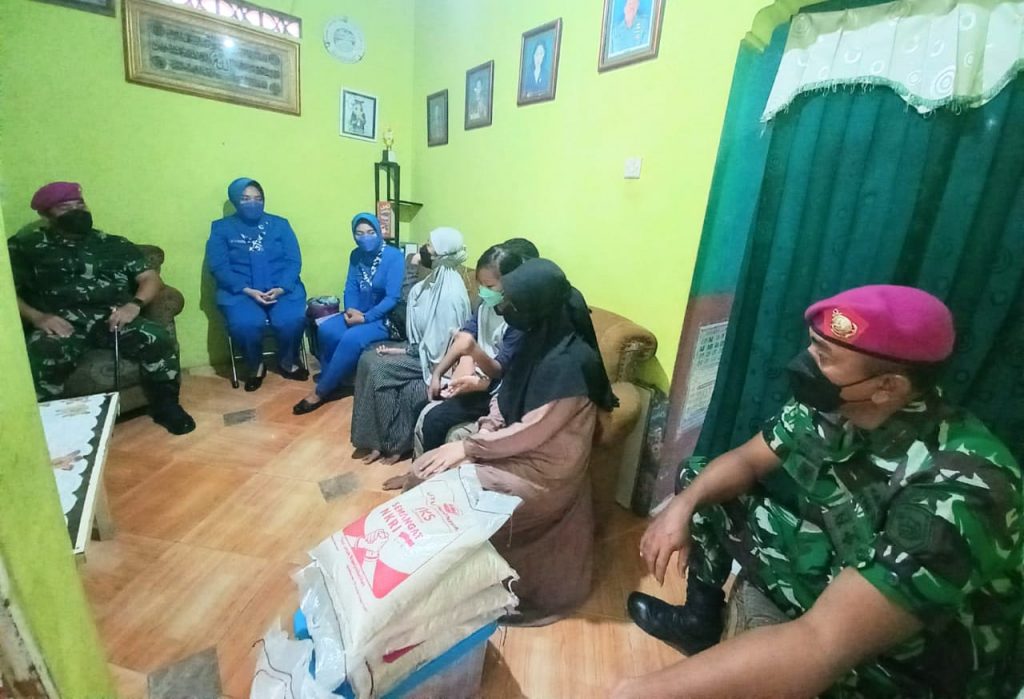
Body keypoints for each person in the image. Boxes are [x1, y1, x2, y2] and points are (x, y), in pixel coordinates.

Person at [614, 286, 1023, 699]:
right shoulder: (834, 405)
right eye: (812, 345)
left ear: (887, 387)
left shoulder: (962, 487)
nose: (806, 363)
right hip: (837, 566)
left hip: (911, 662)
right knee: (700, 479)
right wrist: (681, 507)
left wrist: (636, 693)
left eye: (823, 356)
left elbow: (820, 643)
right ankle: (698, 624)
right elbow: (748, 460)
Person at [409, 259, 618, 624]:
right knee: (425, 472)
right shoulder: (537, 341)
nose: (504, 309)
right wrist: (484, 433)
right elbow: (504, 400)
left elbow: (532, 431)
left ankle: (450, 587)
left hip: (543, 474)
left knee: (441, 486)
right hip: (516, 451)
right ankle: (429, 580)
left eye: (513, 303)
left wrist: (469, 448)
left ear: (537, 306)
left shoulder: (571, 364)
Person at [8, 181, 195, 434]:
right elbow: (6, 290)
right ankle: (49, 425)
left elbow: (150, 278)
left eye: (80, 204)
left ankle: (167, 406)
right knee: (43, 353)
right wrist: (37, 317)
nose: (77, 211)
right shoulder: (26, 247)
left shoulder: (113, 244)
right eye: (65, 207)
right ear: (45, 214)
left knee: (158, 338)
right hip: (60, 322)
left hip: (113, 317)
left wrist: (134, 305)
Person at [350, 227, 471, 464]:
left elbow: (439, 348)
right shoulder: (434, 280)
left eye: (430, 245)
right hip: (420, 350)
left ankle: (391, 445)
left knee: (378, 368)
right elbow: (410, 301)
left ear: (442, 254)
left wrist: (402, 350)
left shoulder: (450, 295)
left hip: (437, 362)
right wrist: (412, 265)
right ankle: (375, 442)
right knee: (367, 358)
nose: (424, 248)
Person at [413, 244, 528, 457]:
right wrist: (438, 374)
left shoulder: (517, 320)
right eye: (480, 285)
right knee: (420, 406)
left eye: (489, 286)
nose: (483, 291)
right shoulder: (485, 307)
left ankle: (432, 471)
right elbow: (464, 338)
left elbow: (498, 370)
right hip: (476, 380)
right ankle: (419, 467)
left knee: (434, 421)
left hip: (495, 391)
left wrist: (473, 351)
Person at [293, 213, 403, 414]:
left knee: (351, 338)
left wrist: (366, 318)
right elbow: (350, 286)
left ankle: (321, 391)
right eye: (359, 233)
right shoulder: (356, 255)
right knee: (326, 329)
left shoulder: (394, 256)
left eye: (370, 232)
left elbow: (392, 298)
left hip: (383, 318)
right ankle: (334, 379)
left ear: (379, 232)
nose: (365, 237)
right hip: (357, 312)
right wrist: (351, 309)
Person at [207, 177, 308, 392]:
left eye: (258, 198)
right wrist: (247, 290)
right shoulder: (222, 228)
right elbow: (219, 266)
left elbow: (293, 260)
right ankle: (255, 365)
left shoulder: (280, 225)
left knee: (292, 320)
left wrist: (281, 288)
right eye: (245, 198)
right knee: (245, 324)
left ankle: (287, 361)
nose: (252, 203)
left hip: (281, 289)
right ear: (235, 200)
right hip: (241, 292)